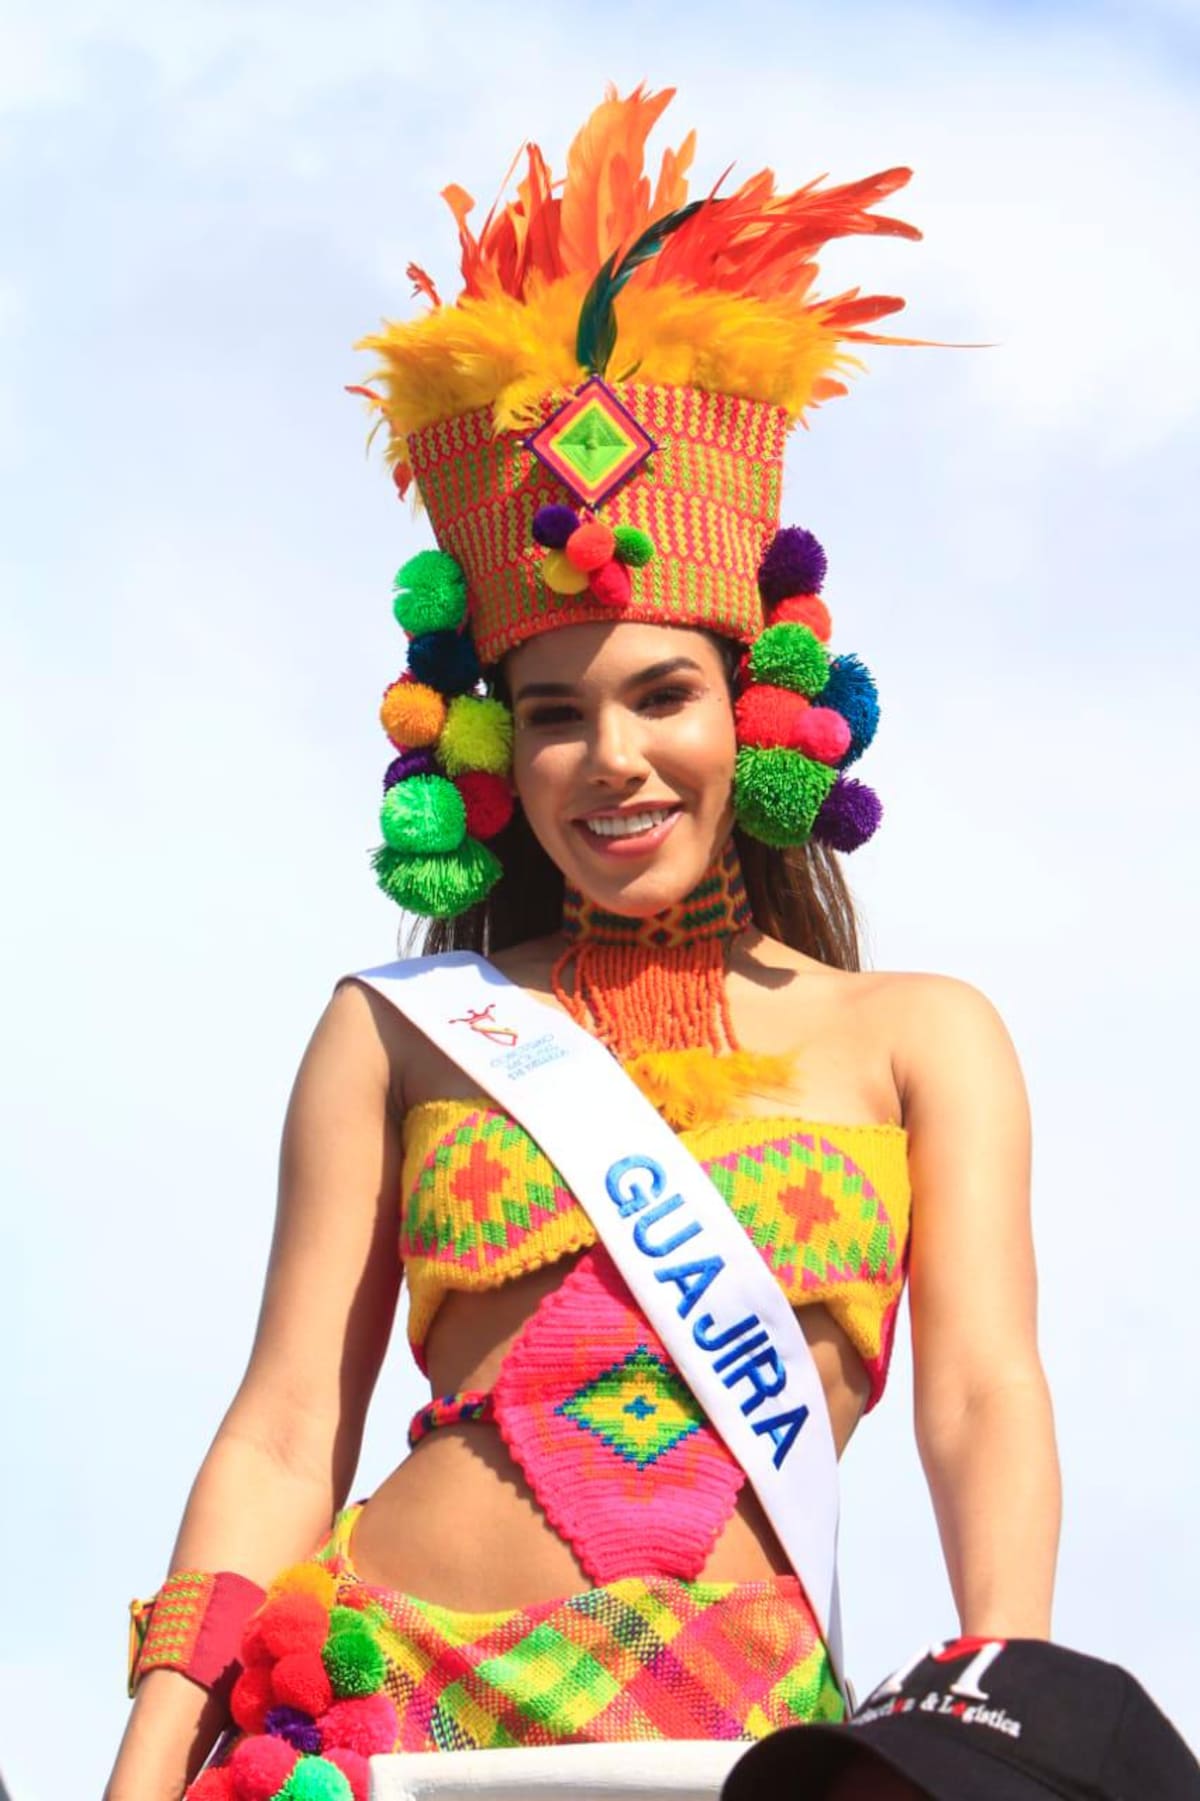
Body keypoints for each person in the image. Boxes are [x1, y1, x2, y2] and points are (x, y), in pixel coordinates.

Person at [106, 85, 1061, 1801]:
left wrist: (1017, 1726)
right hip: (381, 1716)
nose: (609, 759)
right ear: (493, 751)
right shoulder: (398, 1029)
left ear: (757, 704)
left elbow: (983, 1396)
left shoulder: (927, 1037)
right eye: (551, 713)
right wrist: (149, 1751)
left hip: (738, 1746)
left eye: (661, 694)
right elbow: (279, 1430)